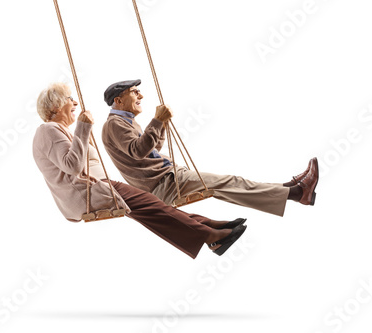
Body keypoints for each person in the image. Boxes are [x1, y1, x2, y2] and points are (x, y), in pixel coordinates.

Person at [32, 82, 247, 258]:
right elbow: (72, 166)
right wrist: (82, 127)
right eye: (70, 99)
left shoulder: (57, 130)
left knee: (152, 206)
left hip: (97, 187)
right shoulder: (48, 130)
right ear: (56, 107)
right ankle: (210, 236)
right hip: (88, 192)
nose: (75, 102)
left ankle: (209, 228)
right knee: (151, 207)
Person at [101, 79, 319, 217]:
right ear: (119, 100)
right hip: (163, 183)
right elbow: (139, 151)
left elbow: (152, 147)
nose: (140, 96)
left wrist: (162, 124)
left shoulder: (126, 121)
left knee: (233, 183)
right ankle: (297, 193)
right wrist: (157, 121)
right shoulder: (114, 124)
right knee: (230, 183)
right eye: (134, 92)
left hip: (169, 175)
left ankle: (290, 188)